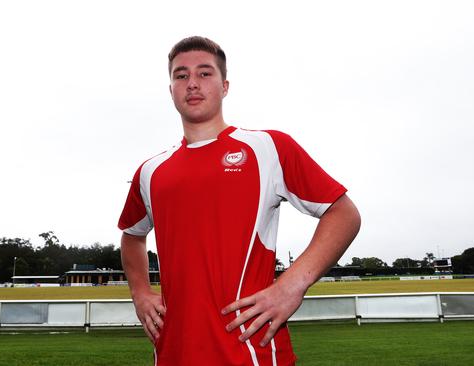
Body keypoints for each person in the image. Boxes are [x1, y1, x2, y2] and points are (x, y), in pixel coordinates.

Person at [118, 36, 361, 366]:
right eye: (181, 75)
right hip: (173, 353)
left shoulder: (267, 147)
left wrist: (291, 286)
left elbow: (343, 213)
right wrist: (141, 292)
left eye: (205, 73)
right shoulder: (151, 171)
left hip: (251, 352)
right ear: (171, 88)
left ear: (225, 85)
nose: (192, 83)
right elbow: (132, 236)